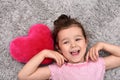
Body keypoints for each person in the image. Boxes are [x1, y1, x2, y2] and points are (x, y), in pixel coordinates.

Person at [18, 14, 120, 80]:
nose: (73, 45)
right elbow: (23, 76)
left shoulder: (96, 64)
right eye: (66, 42)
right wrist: (44, 53)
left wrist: (102, 45)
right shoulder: (57, 69)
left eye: (77, 39)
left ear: (86, 41)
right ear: (58, 48)